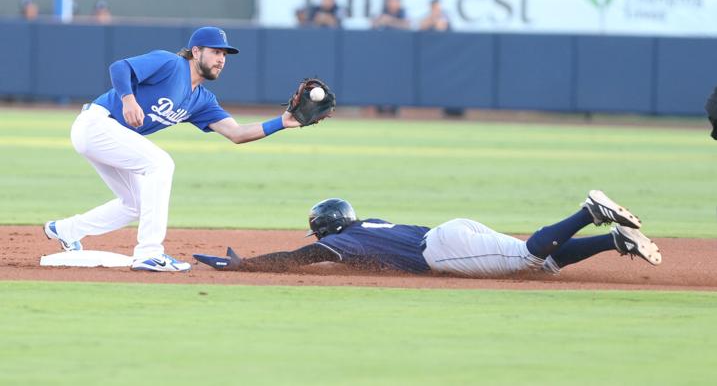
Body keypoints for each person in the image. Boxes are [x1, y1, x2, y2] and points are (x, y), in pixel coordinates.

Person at [43, 27, 304, 272]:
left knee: (135, 204)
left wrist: (282, 122)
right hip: (97, 124)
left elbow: (237, 133)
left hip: (111, 135)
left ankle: (66, 229)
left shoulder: (202, 100)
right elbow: (120, 67)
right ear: (196, 51)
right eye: (215, 51)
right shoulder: (170, 64)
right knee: (160, 163)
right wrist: (128, 98)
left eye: (224, 54)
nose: (221, 59)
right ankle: (149, 252)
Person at [194, 190, 662, 277]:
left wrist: (245, 265)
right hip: (451, 230)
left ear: (323, 229)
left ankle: (587, 212)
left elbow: (296, 258)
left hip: (442, 249)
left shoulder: (341, 243)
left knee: (525, 257)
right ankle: (615, 240)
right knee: (542, 267)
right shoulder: (367, 225)